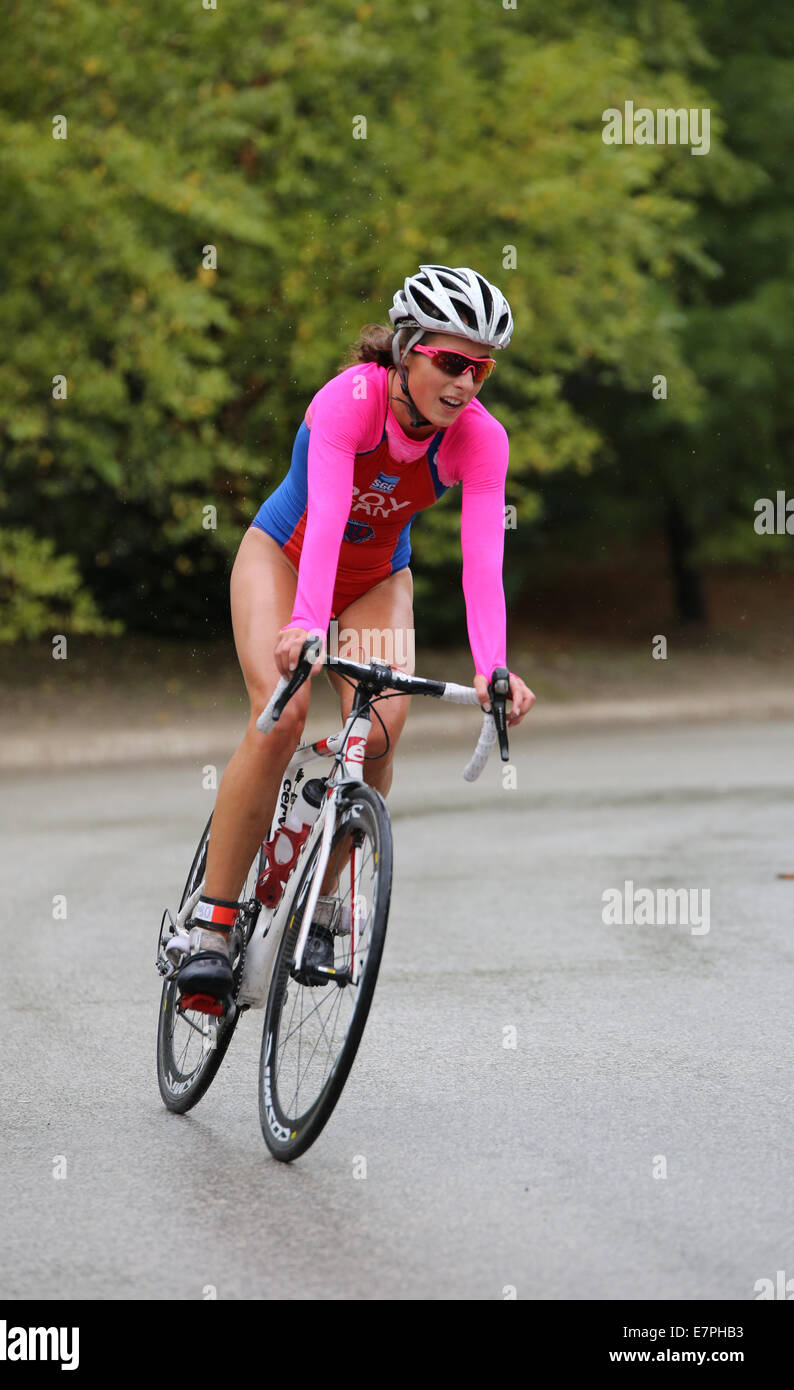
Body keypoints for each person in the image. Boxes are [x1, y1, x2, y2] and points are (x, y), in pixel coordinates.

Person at [175, 264, 536, 1011]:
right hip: (285, 556)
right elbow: (330, 517)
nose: (467, 383)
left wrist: (495, 669)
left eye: (482, 368)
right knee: (283, 716)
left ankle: (325, 902)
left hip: (376, 579)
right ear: (407, 349)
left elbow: (481, 563)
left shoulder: (481, 440)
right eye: (452, 362)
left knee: (379, 732)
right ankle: (210, 928)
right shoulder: (350, 400)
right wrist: (306, 625)